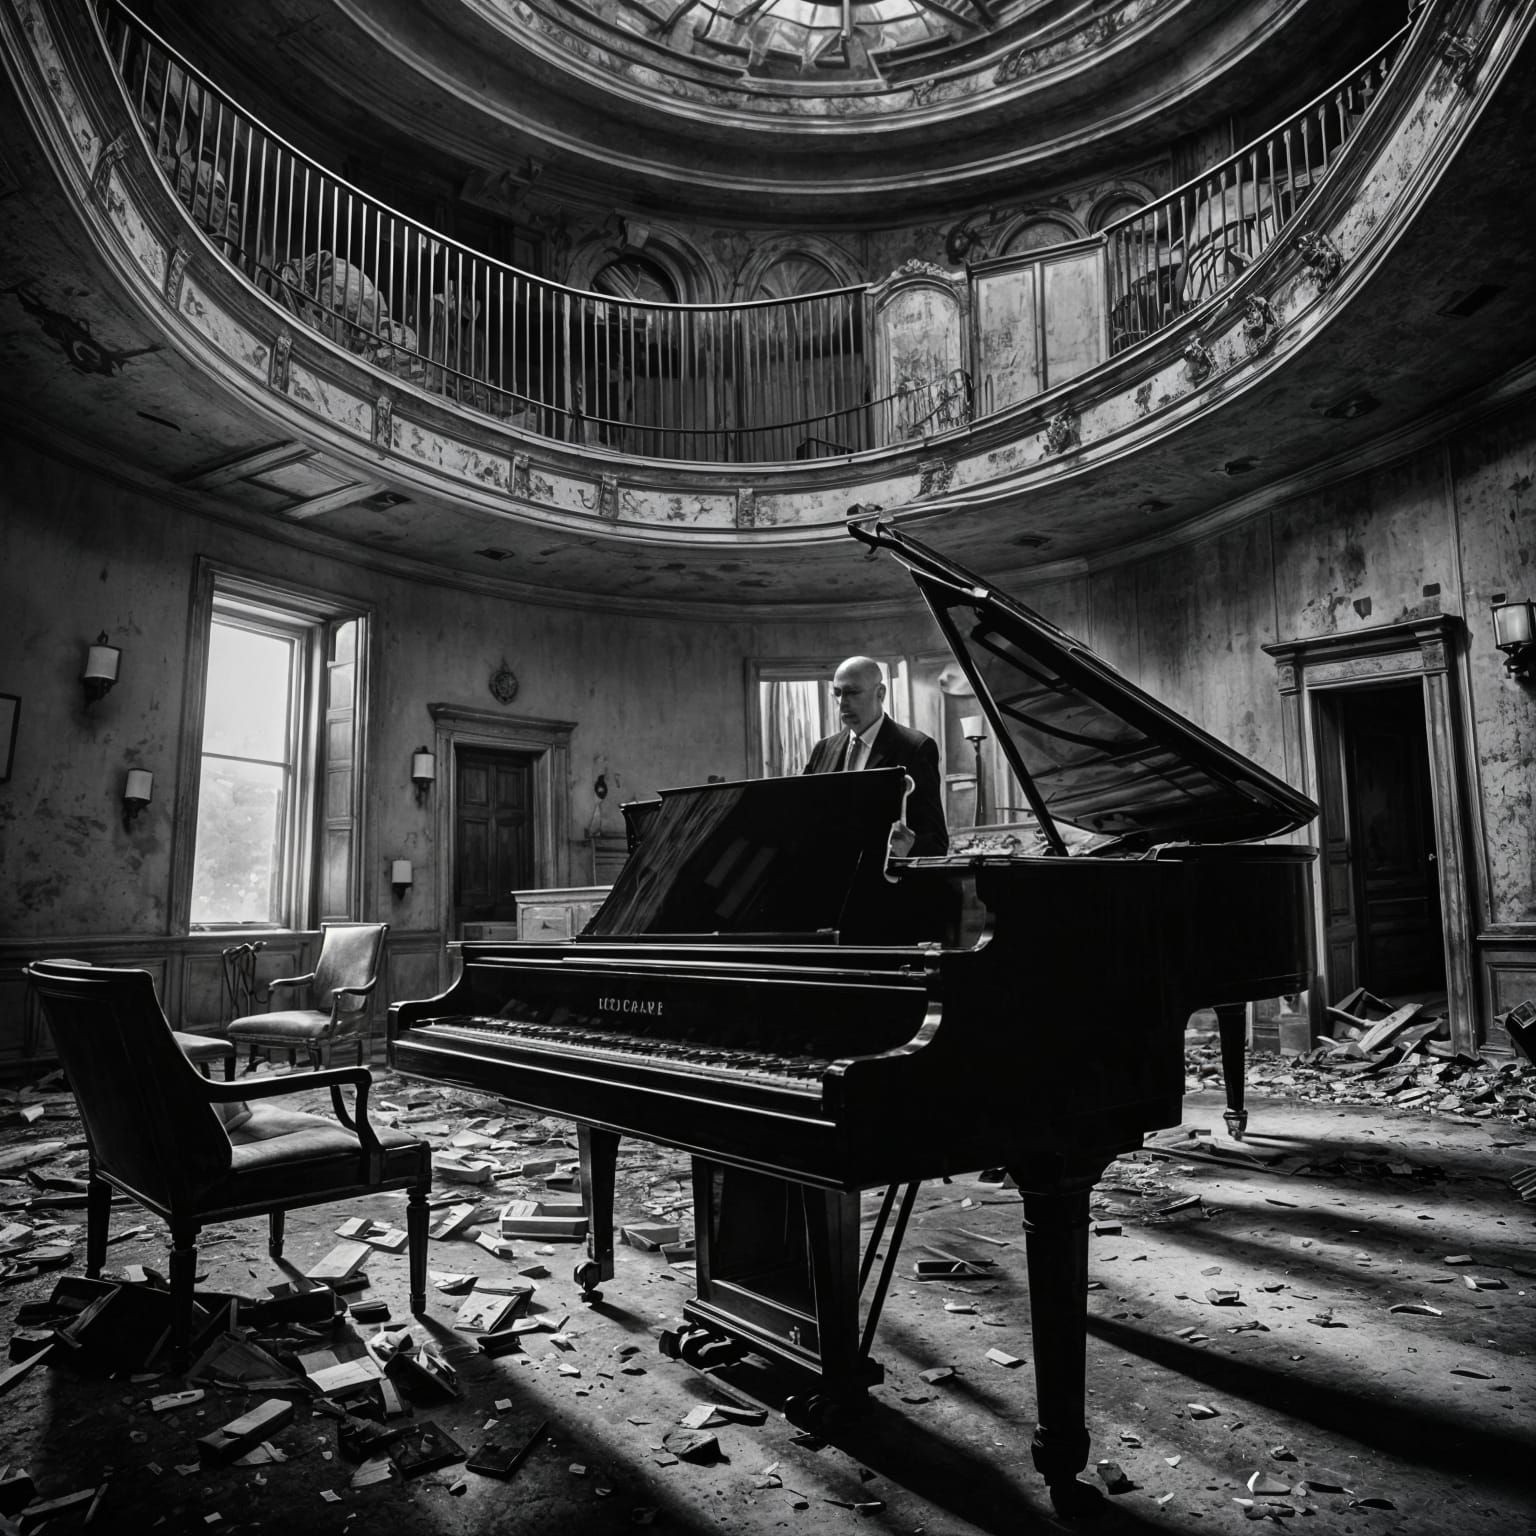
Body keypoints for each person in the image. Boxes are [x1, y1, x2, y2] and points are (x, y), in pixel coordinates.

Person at [802, 656, 949, 859]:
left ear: (880, 693)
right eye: (837, 693)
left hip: (884, 885)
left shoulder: (915, 748)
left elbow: (937, 843)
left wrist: (909, 846)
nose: (843, 703)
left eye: (852, 692)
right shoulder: (823, 749)